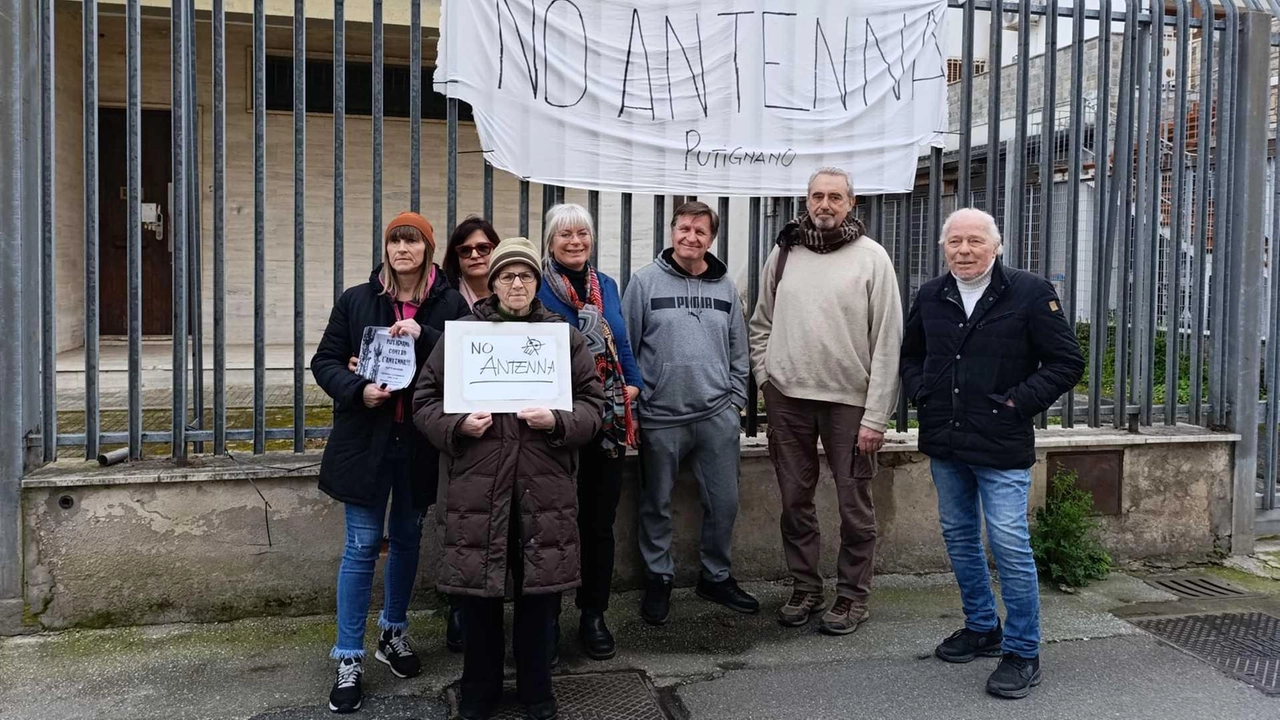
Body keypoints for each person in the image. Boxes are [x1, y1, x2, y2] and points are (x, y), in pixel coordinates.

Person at [413, 236, 606, 720]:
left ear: (536, 283)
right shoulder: (462, 335)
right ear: (492, 284)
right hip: (478, 485)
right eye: (506, 275)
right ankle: (479, 690)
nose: (516, 283)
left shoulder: (563, 337)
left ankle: (537, 690)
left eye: (525, 276)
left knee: (540, 596)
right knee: (479, 595)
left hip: (543, 486)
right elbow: (424, 400)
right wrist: (457, 425)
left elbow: (593, 404)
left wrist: (558, 421)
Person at [900, 208, 1084, 699]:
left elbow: (1067, 361)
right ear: (944, 247)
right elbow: (911, 354)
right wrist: (922, 392)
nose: (964, 250)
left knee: (1008, 543)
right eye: (955, 241)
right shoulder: (931, 295)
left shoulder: (1029, 292)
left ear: (996, 246)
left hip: (1001, 441)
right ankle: (982, 626)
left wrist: (1017, 402)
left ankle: (1023, 651)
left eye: (975, 241)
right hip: (947, 439)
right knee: (959, 537)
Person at [311, 211, 469, 714]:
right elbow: (325, 362)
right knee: (360, 547)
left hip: (419, 443)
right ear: (386, 249)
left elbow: (464, 361)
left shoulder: (448, 304)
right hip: (366, 442)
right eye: (395, 240)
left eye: (413, 241)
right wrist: (359, 390)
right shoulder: (358, 300)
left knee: (406, 541)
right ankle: (349, 655)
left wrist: (422, 334)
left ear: (427, 248)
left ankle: (393, 632)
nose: (403, 249)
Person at [748, 167, 903, 636]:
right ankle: (805, 587)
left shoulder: (872, 258)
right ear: (806, 200)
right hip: (788, 401)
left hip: (849, 405)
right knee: (795, 502)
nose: (825, 204)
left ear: (852, 203)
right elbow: (760, 324)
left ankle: (853, 597)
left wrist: (876, 415)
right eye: (818, 196)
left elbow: (888, 341)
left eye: (836, 196)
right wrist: (766, 379)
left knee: (855, 505)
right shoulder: (784, 253)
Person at [621, 201, 758, 625]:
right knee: (656, 502)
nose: (691, 237)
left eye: (700, 231)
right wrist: (638, 407)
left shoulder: (725, 288)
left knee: (725, 501)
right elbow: (626, 346)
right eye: (684, 229)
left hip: (716, 414)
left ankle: (715, 576)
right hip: (661, 415)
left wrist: (735, 400)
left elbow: (740, 349)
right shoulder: (644, 282)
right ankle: (659, 579)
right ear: (672, 232)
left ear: (710, 238)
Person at [535, 203, 642, 660]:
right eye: (565, 235)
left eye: (582, 233)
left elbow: (622, 341)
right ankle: (547, 619)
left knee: (598, 525)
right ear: (550, 241)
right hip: (554, 427)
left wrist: (633, 383)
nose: (575, 241)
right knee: (554, 526)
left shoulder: (608, 286)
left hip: (607, 424)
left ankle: (592, 615)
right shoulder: (536, 286)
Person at [438, 214, 501, 653]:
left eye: (484, 247)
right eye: (466, 250)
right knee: (460, 522)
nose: (476, 255)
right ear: (455, 259)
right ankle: (460, 609)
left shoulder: (520, 293)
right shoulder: (444, 301)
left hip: (514, 432)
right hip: (462, 430)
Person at [443, 215, 500, 309]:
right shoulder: (443, 299)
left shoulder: (514, 294)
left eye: (483, 248)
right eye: (465, 250)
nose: (474, 255)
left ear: (497, 250)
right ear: (456, 257)